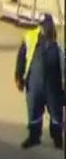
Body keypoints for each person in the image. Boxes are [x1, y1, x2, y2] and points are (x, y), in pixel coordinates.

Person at [15, 15, 65, 149]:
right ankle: (34, 138)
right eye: (44, 25)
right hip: (34, 82)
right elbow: (21, 58)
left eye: (49, 25)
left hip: (54, 86)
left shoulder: (59, 43)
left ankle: (58, 139)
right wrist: (18, 77)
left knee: (56, 114)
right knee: (33, 112)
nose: (47, 28)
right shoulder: (30, 38)